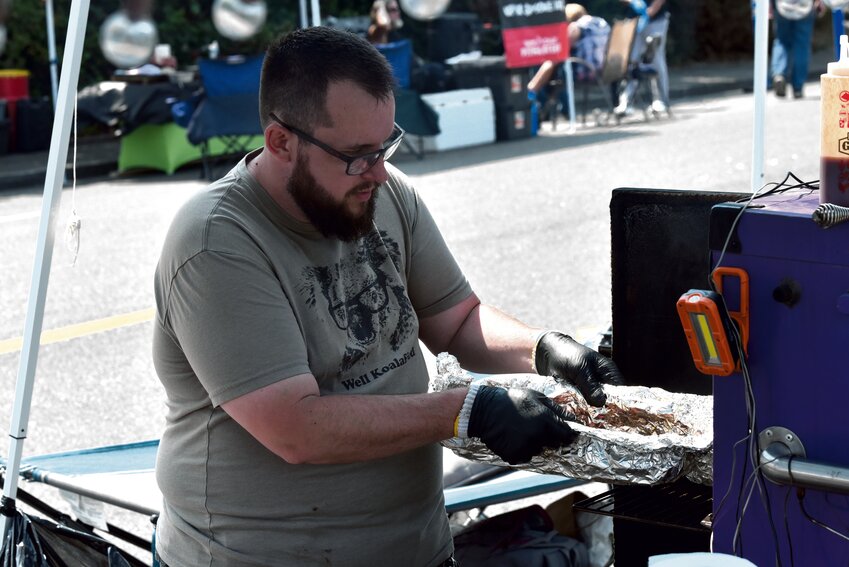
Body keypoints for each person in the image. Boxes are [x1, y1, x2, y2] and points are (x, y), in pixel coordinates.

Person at [152, 26, 622, 567]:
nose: (378, 171)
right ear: (281, 142)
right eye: (355, 155)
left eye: (384, 146)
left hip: (415, 545)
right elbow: (294, 428)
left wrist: (543, 349)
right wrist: (465, 411)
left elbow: (457, 319)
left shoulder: (383, 189)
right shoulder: (216, 242)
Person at [614, 0, 671, 116]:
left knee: (656, 59)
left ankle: (661, 100)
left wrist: (651, 10)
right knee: (631, 62)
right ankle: (626, 102)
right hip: (634, 22)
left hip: (656, 21)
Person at [770, 0, 823, 99]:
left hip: (782, 6)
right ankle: (798, 87)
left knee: (781, 42)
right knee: (802, 46)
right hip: (804, 7)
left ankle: (779, 73)